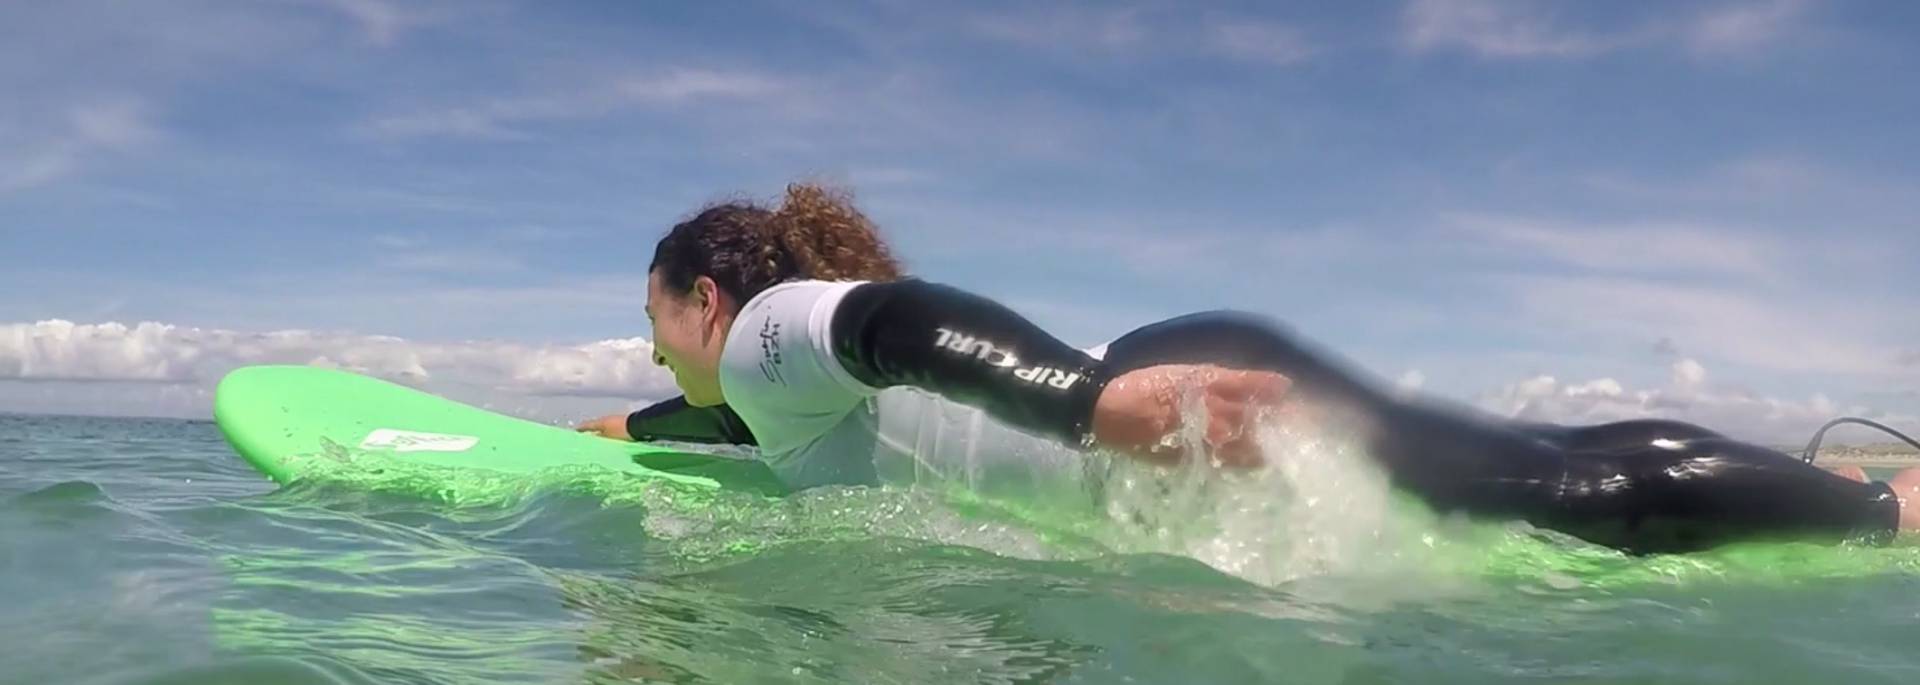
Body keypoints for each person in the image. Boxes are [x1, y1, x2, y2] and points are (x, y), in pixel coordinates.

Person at [579, 182, 1920, 555]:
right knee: (1519, 459)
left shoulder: (776, 335)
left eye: (659, 330)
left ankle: (1884, 509)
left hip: (1169, 398)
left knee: (1561, 496)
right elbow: (753, 418)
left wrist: (1091, 408)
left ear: (713, 299)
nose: (658, 356)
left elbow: (904, 322)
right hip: (1172, 375)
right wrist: (635, 422)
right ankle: (1842, 484)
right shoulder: (762, 387)